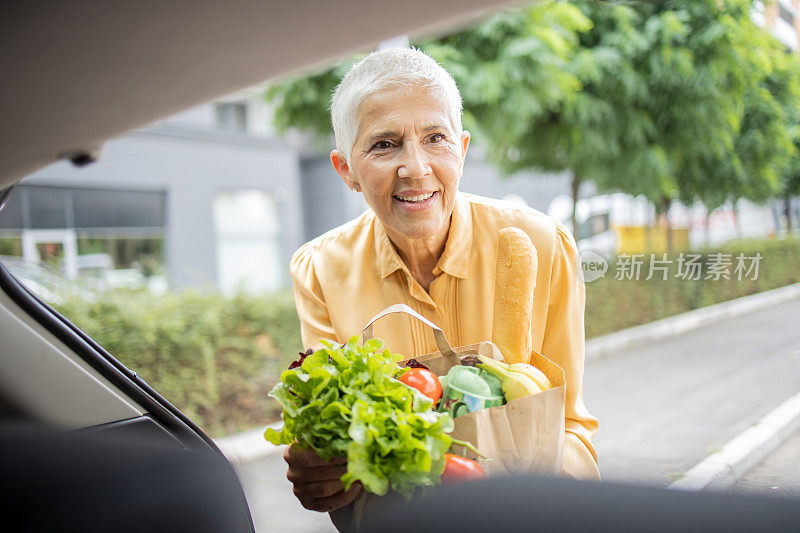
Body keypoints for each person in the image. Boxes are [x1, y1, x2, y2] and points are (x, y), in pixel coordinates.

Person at [283, 47, 599, 530]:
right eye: (385, 145)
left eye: (435, 138)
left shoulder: (542, 245)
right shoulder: (319, 270)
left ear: (463, 149)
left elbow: (572, 430)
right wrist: (324, 475)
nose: (416, 167)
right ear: (346, 169)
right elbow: (342, 455)